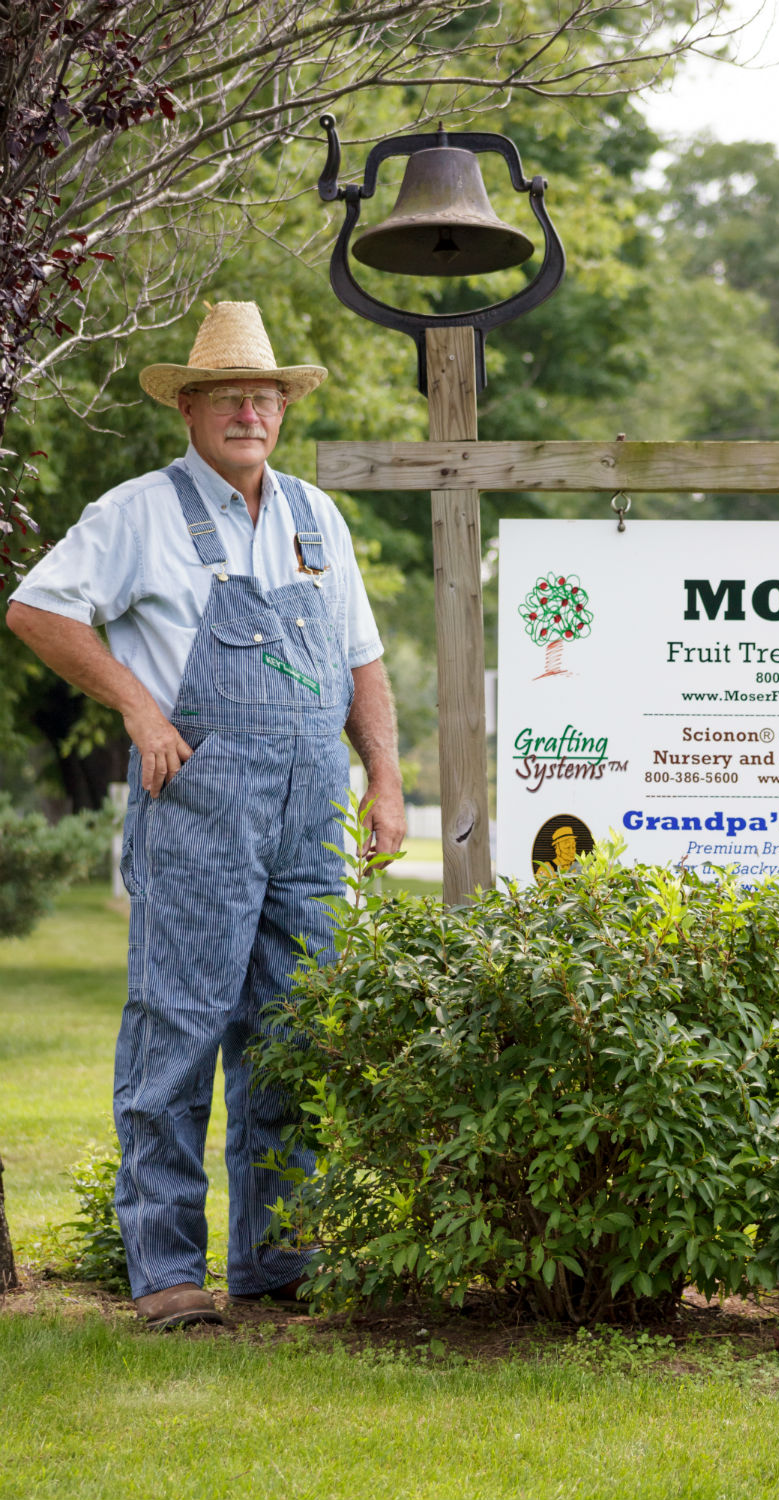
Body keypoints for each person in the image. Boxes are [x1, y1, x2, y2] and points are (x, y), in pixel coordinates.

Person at [5, 302, 406, 1330]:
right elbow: (35, 608)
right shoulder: (137, 513)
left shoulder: (320, 515)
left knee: (293, 1028)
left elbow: (362, 661)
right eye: (227, 394)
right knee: (177, 1026)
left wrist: (387, 784)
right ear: (187, 406)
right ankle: (168, 1272)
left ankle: (282, 1257)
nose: (247, 410)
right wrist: (139, 705)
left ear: (281, 408)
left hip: (311, 805)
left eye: (263, 395)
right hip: (196, 801)